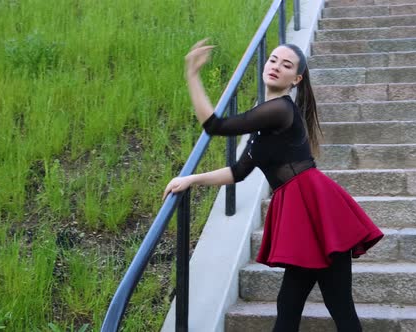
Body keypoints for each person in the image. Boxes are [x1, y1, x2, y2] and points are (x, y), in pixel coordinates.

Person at [163, 39, 384, 332]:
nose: (276, 66)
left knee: (336, 306)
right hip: (301, 210)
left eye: (286, 64)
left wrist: (192, 75)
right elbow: (238, 172)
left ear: (297, 79)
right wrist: (191, 179)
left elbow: (217, 126)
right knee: (292, 305)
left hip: (316, 208)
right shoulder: (263, 125)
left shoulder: (280, 109)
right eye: (273, 60)